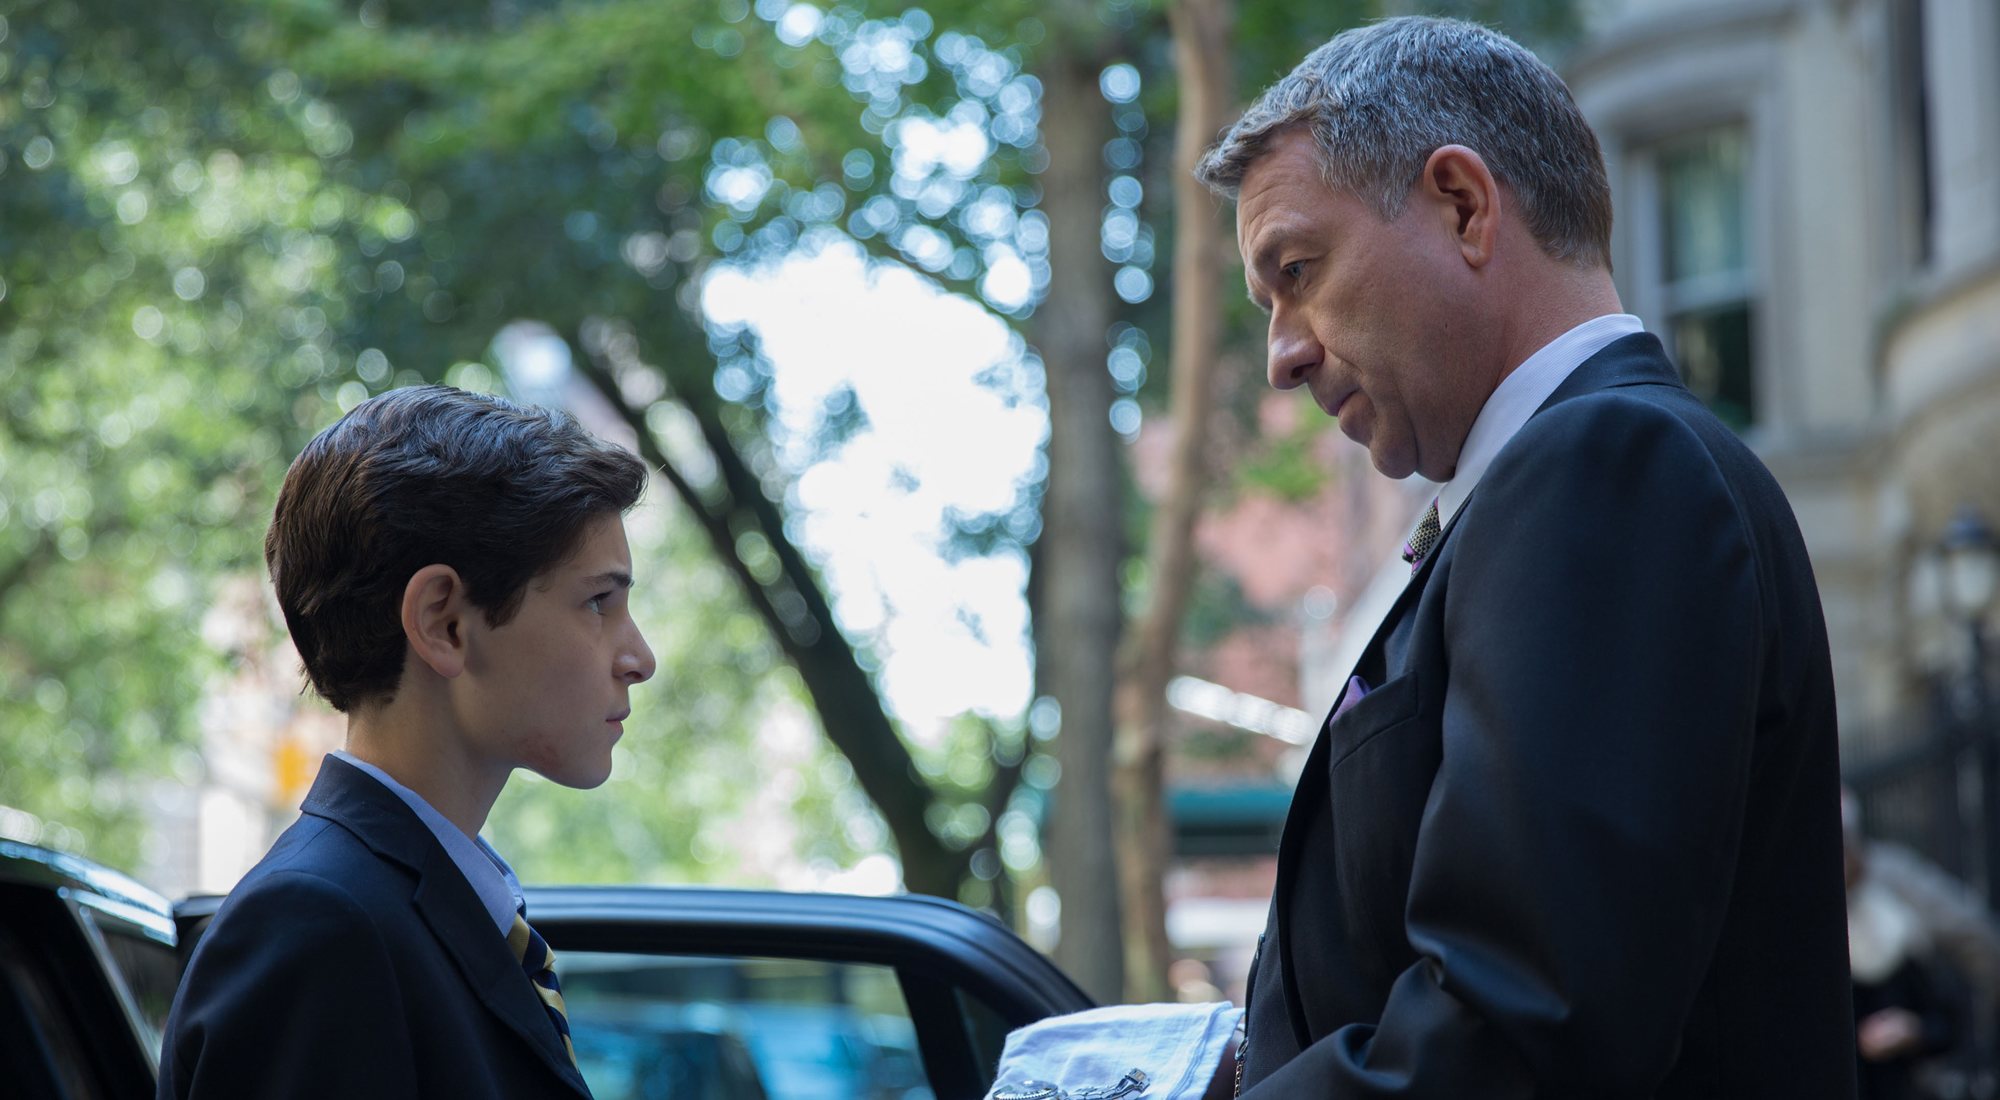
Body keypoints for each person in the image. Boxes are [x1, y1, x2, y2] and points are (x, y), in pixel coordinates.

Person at [1184, 15, 1854, 1097]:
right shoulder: (1560, 481)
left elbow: (1520, 1029)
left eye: (1297, 270)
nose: (1283, 355)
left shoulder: (1605, 463)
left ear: (1462, 204)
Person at [157, 385, 656, 1099]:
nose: (640, 658)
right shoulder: (321, 928)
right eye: (598, 601)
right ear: (443, 622)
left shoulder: (401, 907)